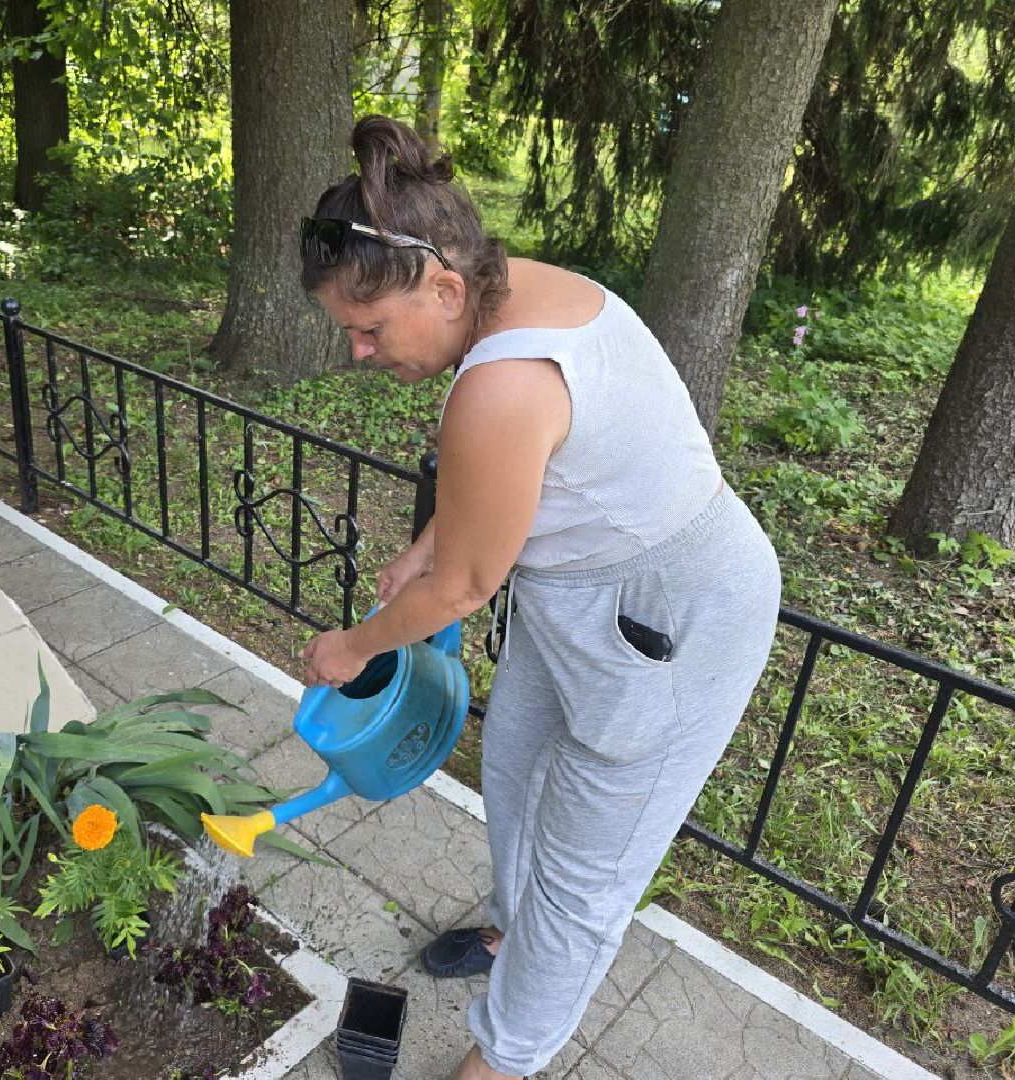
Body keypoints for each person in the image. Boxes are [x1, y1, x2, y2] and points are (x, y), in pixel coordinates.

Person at [296, 116, 781, 1080]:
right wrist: (428, 546)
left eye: (366, 328)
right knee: (515, 774)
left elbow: (470, 584)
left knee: (583, 879)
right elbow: (520, 483)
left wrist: (354, 647)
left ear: (440, 285)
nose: (356, 351)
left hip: (675, 619)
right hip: (584, 601)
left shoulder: (506, 381)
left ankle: (503, 1059)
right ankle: (507, 936)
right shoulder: (503, 292)